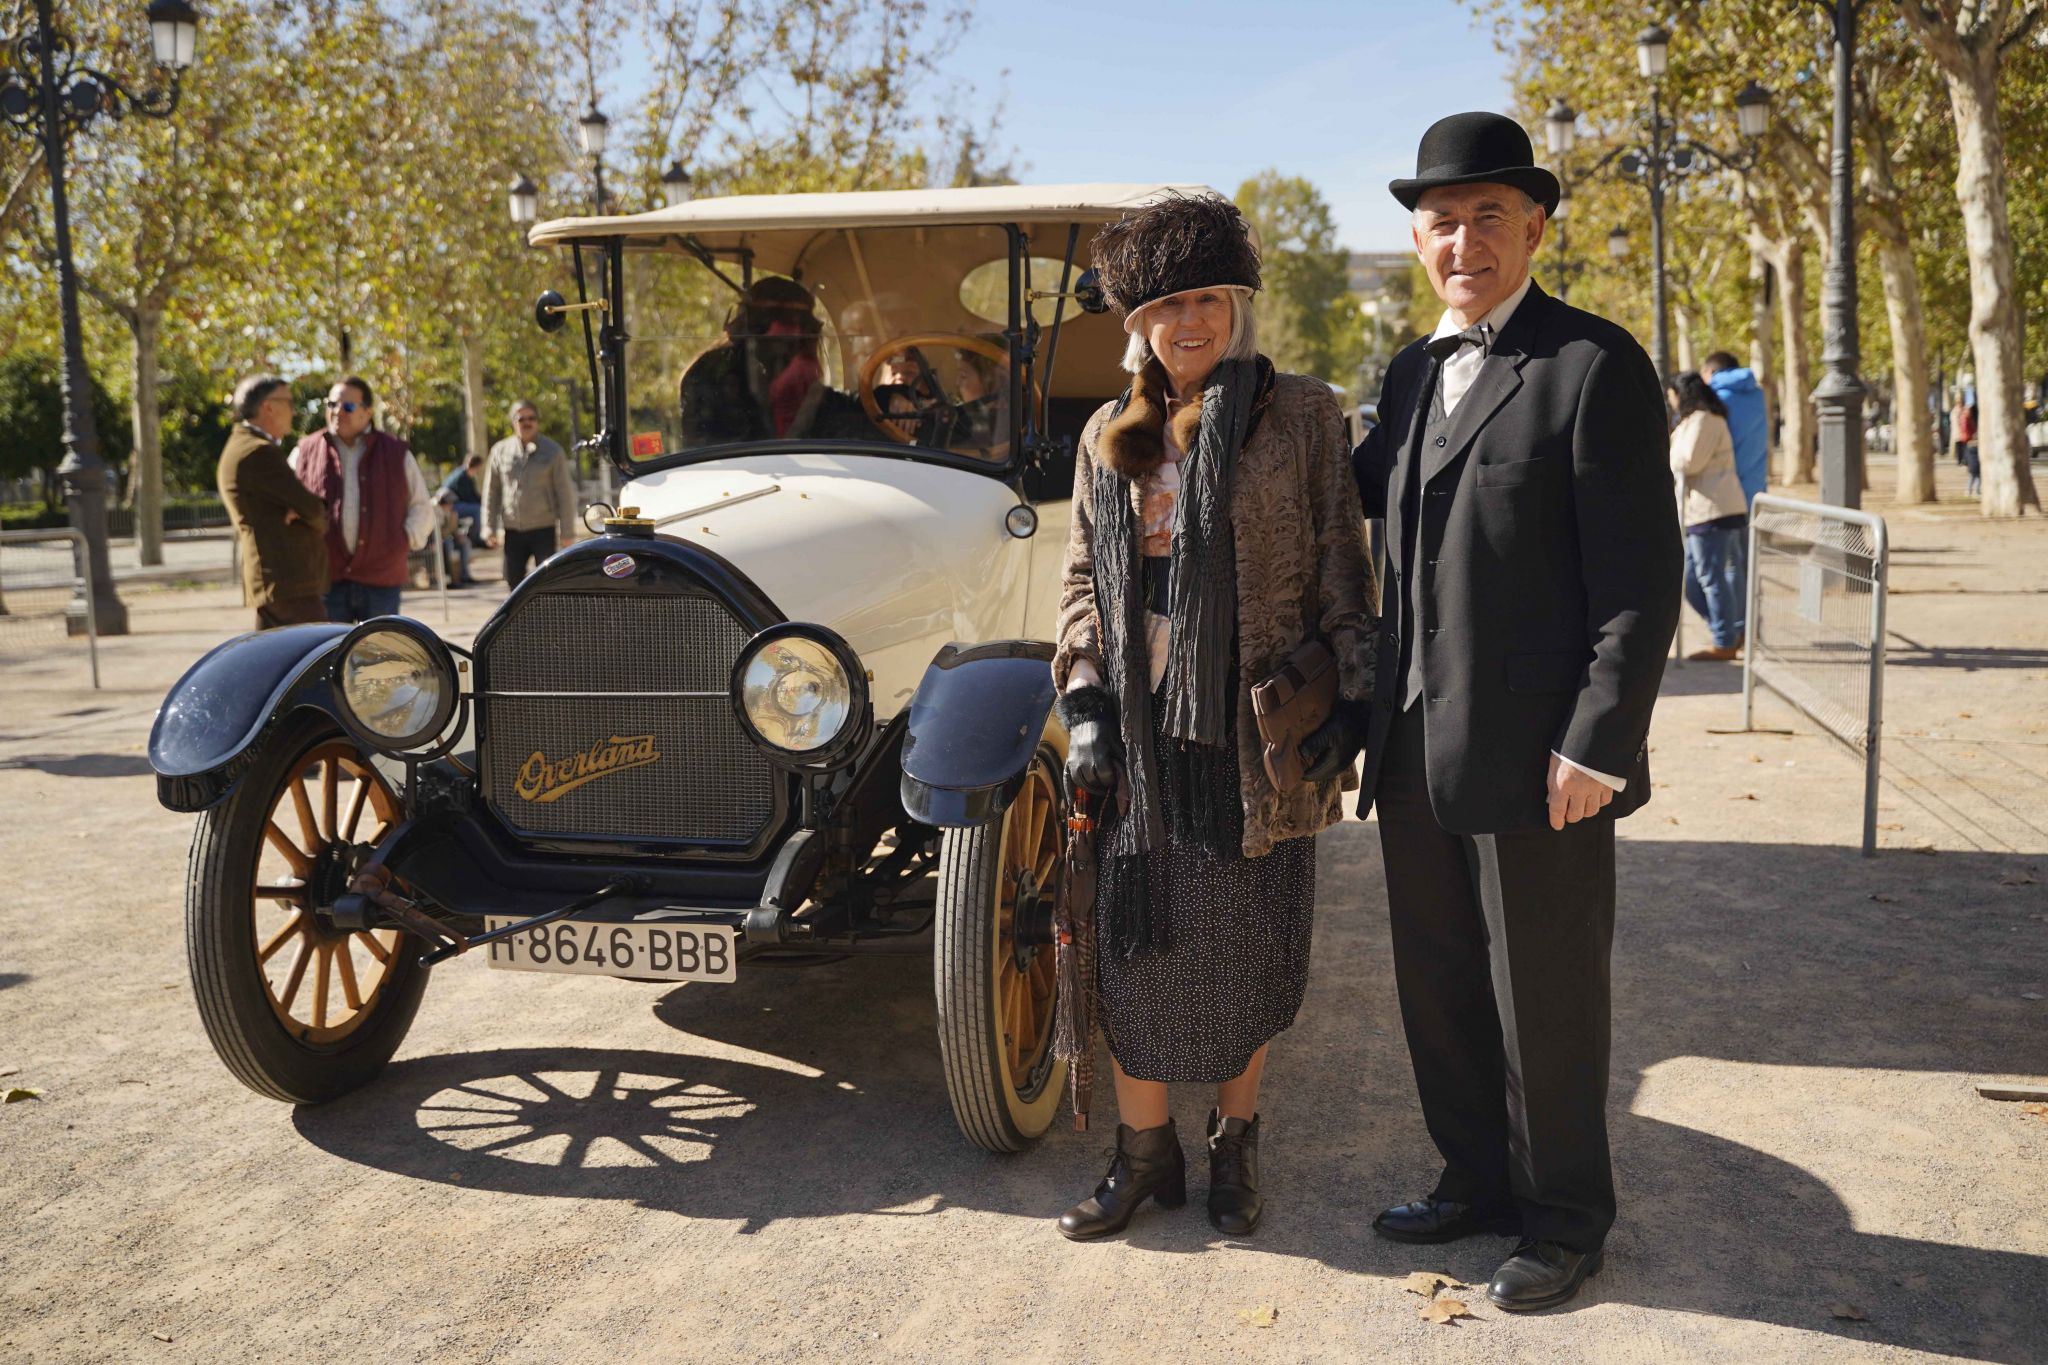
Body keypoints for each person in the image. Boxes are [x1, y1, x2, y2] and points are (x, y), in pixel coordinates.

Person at [1350, 112, 1680, 1311]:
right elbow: (1363, 501)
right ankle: (1473, 1179)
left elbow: (1640, 586)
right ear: (1416, 242)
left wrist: (1598, 743)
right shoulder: (1405, 374)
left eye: (1488, 216)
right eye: (1440, 220)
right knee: (1436, 980)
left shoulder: (1593, 366)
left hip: (1544, 755)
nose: (1462, 239)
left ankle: (1563, 1218)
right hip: (1410, 746)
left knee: (1542, 989)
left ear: (1533, 228)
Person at [1051, 192, 1377, 1242]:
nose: (1188, 322)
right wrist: (1086, 704)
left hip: (1253, 731)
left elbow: (1341, 563)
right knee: (1130, 947)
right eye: (1164, 304)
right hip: (1135, 737)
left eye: (1207, 298)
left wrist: (1351, 704)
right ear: (1134, 320)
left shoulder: (1303, 414)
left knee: (1245, 950)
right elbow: (1077, 586)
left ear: (1235, 302)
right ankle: (1144, 1157)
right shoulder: (1105, 432)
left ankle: (1234, 1145)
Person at [292, 377, 435, 622]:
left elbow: (421, 507)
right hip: (326, 581)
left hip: (381, 581)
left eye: (347, 407)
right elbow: (287, 502)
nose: (337, 412)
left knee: (377, 656)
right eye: (331, 404)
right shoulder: (305, 451)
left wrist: (403, 540)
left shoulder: (395, 452)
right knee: (329, 656)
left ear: (367, 412)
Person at [676, 276, 870, 446]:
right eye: (782, 325)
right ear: (754, 327)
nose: (790, 339)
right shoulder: (716, 373)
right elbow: (718, 445)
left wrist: (889, 399)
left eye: (801, 327)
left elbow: (834, 410)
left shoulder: (798, 377)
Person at [218, 375, 329, 630]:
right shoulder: (257, 452)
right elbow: (312, 508)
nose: (294, 410)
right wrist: (309, 512)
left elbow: (303, 507)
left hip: (279, 582)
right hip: (287, 582)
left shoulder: (246, 446)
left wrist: (301, 510)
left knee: (280, 661)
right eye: (288, 402)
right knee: (315, 659)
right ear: (268, 407)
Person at [1668, 372, 1747, 661]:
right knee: (1699, 579)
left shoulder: (1703, 420)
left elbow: (1689, 462)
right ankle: (1729, 630)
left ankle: (1725, 638)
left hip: (1711, 509)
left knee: (1709, 577)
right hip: (1708, 509)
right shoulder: (1698, 421)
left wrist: (1669, 457)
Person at [480, 399, 577, 588]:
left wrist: (568, 532)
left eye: (531, 418)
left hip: (544, 528)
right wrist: (488, 528)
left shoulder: (553, 451)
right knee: (513, 581)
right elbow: (491, 492)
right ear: (513, 422)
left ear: (537, 421)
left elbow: (564, 493)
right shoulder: (500, 451)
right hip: (513, 529)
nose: (526, 422)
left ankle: (544, 617)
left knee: (547, 581)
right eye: (521, 418)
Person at [1700, 350, 1768, 506]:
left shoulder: (1714, 398)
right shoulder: (1758, 394)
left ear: (1709, 371)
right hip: (1756, 486)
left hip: (1726, 492)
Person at [440, 453, 484, 545]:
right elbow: (468, 497)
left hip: (455, 504)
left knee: (478, 507)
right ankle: (475, 539)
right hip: (450, 507)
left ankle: (472, 535)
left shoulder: (463, 474)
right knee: (477, 510)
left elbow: (473, 495)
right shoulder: (462, 477)